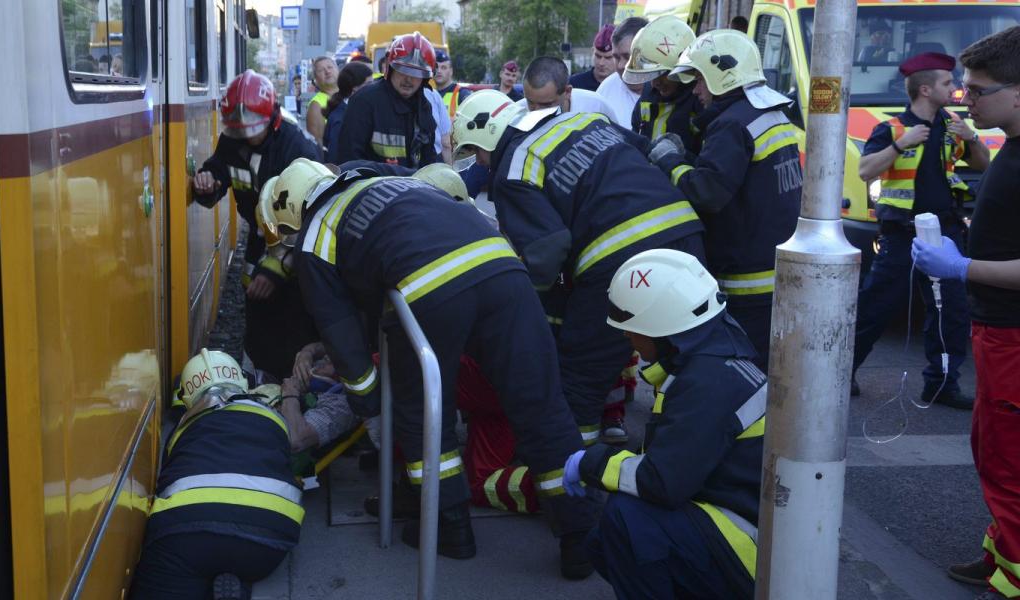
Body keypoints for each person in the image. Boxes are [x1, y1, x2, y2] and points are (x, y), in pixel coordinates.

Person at [256, 158, 601, 579]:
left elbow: (341, 334)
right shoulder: (392, 185)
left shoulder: (314, 236)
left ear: (291, 212)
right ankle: (580, 536)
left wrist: (365, 398)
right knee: (541, 404)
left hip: (429, 287)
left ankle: (450, 527)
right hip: (506, 271)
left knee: (417, 413)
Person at [453, 89, 705, 449]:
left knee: (581, 378)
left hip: (620, 263)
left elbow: (546, 252)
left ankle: (572, 475)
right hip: (686, 236)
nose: (480, 162)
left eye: (476, 151)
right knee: (689, 356)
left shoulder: (515, 166)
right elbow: (653, 150)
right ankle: (687, 453)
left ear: (488, 136)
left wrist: (530, 302)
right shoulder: (583, 120)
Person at [561, 249, 766, 600]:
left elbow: (662, 481)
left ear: (662, 329)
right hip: (738, 524)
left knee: (628, 521)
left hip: (749, 550)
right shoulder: (710, 357)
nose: (627, 338)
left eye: (632, 329)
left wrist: (591, 462)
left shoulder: (706, 382)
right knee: (603, 542)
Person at [910, 26, 1020, 599]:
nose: (965, 99)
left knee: (1009, 463)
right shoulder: (1008, 144)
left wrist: (962, 268)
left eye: (976, 91)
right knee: (993, 449)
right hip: (996, 329)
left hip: (1013, 335)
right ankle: (1001, 554)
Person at [648, 29, 803, 372]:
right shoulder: (770, 113)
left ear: (720, 77)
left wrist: (669, 160)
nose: (697, 90)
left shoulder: (731, 125)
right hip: (776, 271)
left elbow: (707, 194)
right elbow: (742, 179)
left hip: (747, 280)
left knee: (742, 371)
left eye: (700, 80)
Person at [849, 51, 990, 407]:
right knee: (876, 307)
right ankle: (842, 373)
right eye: (947, 83)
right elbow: (865, 170)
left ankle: (942, 384)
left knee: (950, 312)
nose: (955, 88)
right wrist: (901, 144)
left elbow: (982, 163)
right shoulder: (893, 129)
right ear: (925, 89)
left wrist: (971, 138)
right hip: (901, 235)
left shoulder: (952, 124)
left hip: (944, 233)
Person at [129, 349, 302, 600]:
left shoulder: (183, 428)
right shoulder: (274, 418)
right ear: (243, 383)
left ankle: (207, 586)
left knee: (172, 577)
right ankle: (236, 586)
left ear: (187, 397)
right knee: (235, 561)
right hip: (267, 537)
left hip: (189, 534)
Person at [192, 70, 322, 379]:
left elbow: (311, 216)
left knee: (295, 316)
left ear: (273, 118)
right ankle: (262, 377)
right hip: (260, 237)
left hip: (297, 245)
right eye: (238, 131)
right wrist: (206, 184)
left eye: (253, 129)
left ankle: (296, 384)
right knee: (258, 310)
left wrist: (277, 268)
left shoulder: (296, 149)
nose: (247, 137)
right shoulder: (233, 139)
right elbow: (220, 170)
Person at [334, 32, 440, 168]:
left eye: (416, 74)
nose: (408, 79)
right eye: (402, 71)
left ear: (425, 78)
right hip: (372, 187)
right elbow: (348, 160)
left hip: (414, 187)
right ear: (389, 68)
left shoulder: (423, 107)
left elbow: (428, 160)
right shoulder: (365, 101)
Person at [623, 16, 706, 154]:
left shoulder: (701, 101)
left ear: (681, 67)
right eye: (651, 74)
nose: (654, 83)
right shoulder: (647, 97)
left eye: (661, 73)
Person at [521, 57, 623, 124]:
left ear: (567, 92)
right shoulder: (516, 114)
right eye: (530, 103)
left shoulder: (597, 106)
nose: (537, 112)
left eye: (546, 105)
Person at [596, 17, 649, 130]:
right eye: (616, 57)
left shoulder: (666, 90)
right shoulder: (606, 89)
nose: (621, 65)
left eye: (627, 56)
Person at [321, 62, 374, 161]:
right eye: (369, 84)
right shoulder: (341, 119)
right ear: (354, 89)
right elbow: (336, 158)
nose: (373, 88)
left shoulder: (354, 110)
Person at [569, 25, 617, 93]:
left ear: (618, 56)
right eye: (598, 56)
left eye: (608, 58)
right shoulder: (575, 84)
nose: (601, 63)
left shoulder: (626, 86)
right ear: (592, 51)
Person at [306, 56, 340, 148]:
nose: (327, 72)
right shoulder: (316, 105)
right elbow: (316, 144)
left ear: (338, 70)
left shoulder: (351, 94)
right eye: (321, 70)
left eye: (330, 67)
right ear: (316, 79)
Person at [434, 49, 471, 121]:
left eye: (443, 67)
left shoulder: (462, 94)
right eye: (436, 67)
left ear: (451, 71)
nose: (439, 71)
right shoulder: (429, 94)